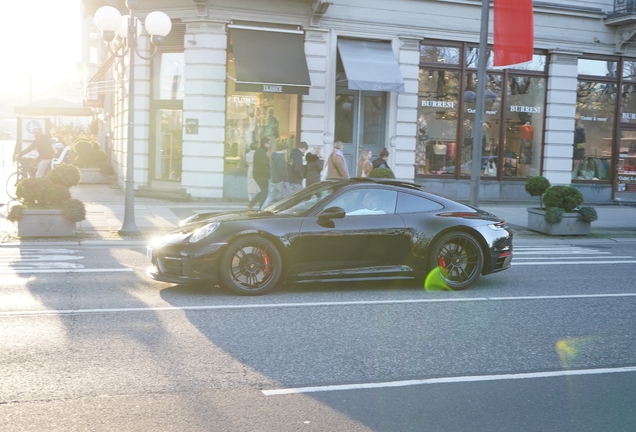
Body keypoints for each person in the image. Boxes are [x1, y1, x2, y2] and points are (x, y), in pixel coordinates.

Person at [261, 141, 288, 209]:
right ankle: (283, 210)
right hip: (279, 180)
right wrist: (283, 178)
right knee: (285, 197)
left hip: (274, 180)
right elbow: (280, 169)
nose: (287, 151)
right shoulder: (280, 158)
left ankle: (263, 208)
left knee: (271, 196)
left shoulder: (274, 156)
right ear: (283, 149)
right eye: (286, 150)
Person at [248, 137, 270, 211]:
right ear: (265, 144)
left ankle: (252, 203)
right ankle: (261, 208)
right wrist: (267, 174)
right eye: (268, 143)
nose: (269, 145)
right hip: (262, 175)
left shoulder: (260, 151)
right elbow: (263, 165)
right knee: (264, 192)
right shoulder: (261, 152)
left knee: (263, 191)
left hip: (259, 174)